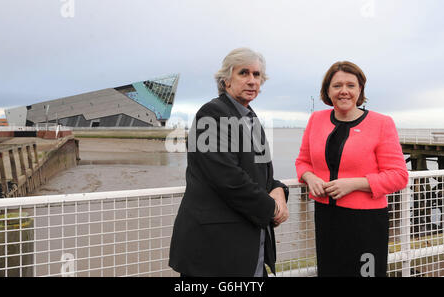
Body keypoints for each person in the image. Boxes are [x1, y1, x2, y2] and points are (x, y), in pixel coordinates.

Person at [169, 48, 289, 277]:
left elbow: (261, 174)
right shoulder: (211, 114)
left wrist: (278, 190)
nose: (252, 81)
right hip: (214, 249)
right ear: (225, 80)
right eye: (244, 73)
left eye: (257, 75)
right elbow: (227, 178)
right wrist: (271, 208)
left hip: (250, 246)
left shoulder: (251, 118)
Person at [295, 61, 408, 277]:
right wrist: (309, 178)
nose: (344, 91)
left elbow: (399, 176)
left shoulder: (382, 123)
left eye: (351, 85)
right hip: (326, 217)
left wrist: (354, 184)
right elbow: (302, 162)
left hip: (367, 222)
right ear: (327, 91)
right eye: (337, 86)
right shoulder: (316, 120)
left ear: (360, 90)